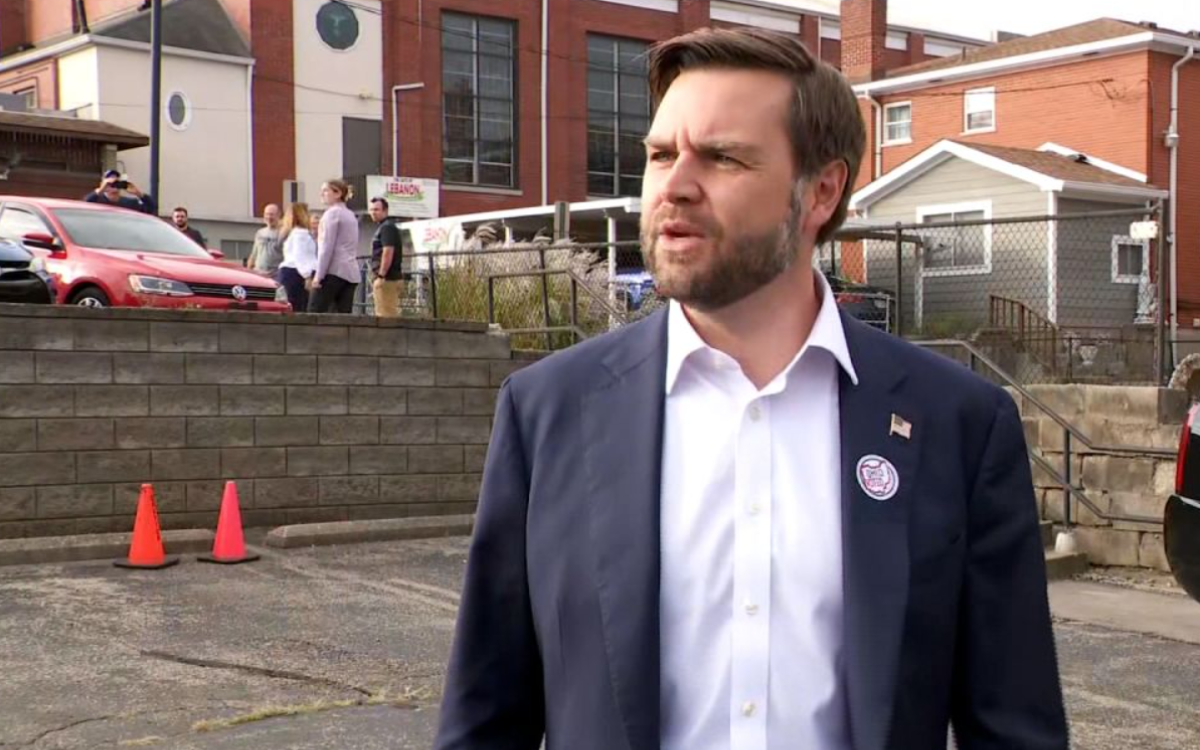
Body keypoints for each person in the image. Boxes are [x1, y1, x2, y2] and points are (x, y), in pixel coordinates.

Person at [434, 27, 1067, 750]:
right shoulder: (546, 412)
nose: (674, 185)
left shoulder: (959, 424)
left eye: (724, 157)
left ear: (820, 192)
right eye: (661, 154)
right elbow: (484, 721)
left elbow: (1015, 727)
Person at [309, 179, 361, 314]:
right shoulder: (350, 215)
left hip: (333, 270)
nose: (322, 194)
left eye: (326, 191)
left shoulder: (332, 214)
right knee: (342, 315)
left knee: (315, 311)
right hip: (350, 272)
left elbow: (326, 247)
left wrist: (319, 276)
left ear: (338, 193)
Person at [367, 196, 404, 318]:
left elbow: (388, 251)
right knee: (385, 314)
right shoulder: (384, 227)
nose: (373, 212)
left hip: (388, 279)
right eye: (371, 209)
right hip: (387, 279)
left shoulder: (387, 227)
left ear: (385, 211)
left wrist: (381, 276)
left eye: (377, 209)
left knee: (386, 317)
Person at [276, 202, 316, 312]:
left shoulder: (294, 233)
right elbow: (300, 256)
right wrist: (307, 276)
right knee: (299, 307)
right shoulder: (300, 234)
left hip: (291, 272)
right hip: (296, 273)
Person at [84, 170, 157, 215]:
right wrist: (101, 190)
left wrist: (138, 193)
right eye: (110, 183)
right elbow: (85, 205)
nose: (113, 185)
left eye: (116, 182)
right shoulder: (97, 201)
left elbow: (150, 209)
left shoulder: (130, 203)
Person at [245, 204, 283, 276]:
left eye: (271, 214)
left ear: (278, 215)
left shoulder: (284, 233)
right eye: (266, 214)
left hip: (275, 275)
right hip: (258, 273)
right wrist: (248, 270)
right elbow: (254, 254)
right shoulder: (260, 233)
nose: (269, 217)